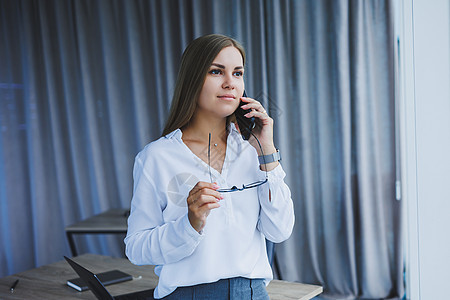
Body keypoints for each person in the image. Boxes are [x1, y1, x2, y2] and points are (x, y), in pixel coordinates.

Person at [124, 34, 295, 299]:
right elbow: (136, 249)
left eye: (238, 73)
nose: (230, 83)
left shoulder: (254, 150)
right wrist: (189, 224)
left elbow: (280, 230)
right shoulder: (157, 157)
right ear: (193, 80)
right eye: (217, 71)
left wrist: (267, 151)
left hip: (252, 293)